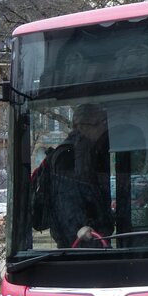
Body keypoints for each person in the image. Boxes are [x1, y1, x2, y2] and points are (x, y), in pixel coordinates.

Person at [41, 103, 114, 247]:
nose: (104, 129)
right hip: (80, 241)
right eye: (100, 124)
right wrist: (79, 229)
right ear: (82, 126)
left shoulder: (90, 151)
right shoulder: (67, 155)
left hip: (92, 237)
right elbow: (65, 201)